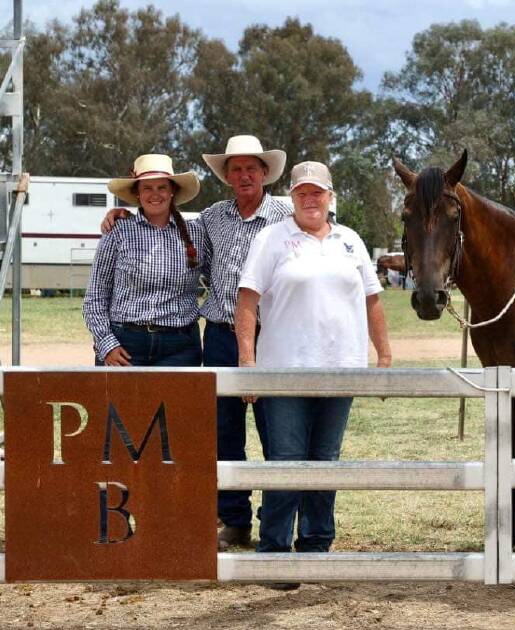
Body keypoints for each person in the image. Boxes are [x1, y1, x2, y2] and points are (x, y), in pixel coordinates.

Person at [101, 135, 292, 550]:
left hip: (273, 337)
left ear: (264, 173)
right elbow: (188, 252)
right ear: (225, 176)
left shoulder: (288, 216)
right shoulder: (211, 219)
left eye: (251, 168)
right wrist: (121, 215)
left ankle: (275, 529)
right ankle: (235, 520)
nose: (243, 176)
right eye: (235, 169)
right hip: (221, 335)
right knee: (222, 434)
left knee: (278, 433)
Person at [235, 161, 391, 589]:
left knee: (326, 463)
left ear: (330, 197)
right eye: (302, 192)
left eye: (317, 192)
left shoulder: (350, 241)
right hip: (284, 372)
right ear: (291, 197)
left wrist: (384, 357)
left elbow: (372, 301)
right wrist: (247, 366)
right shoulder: (271, 239)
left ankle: (316, 548)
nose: (310, 199)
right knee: (285, 463)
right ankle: (274, 553)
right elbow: (246, 301)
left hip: (342, 372)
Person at [83, 154, 204, 367]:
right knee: (118, 402)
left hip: (180, 347)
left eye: (162, 187)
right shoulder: (118, 231)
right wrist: (107, 344)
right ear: (137, 193)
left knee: (177, 402)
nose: (154, 194)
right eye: (147, 188)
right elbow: (95, 296)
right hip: (125, 344)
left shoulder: (196, 234)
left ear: (172, 191)